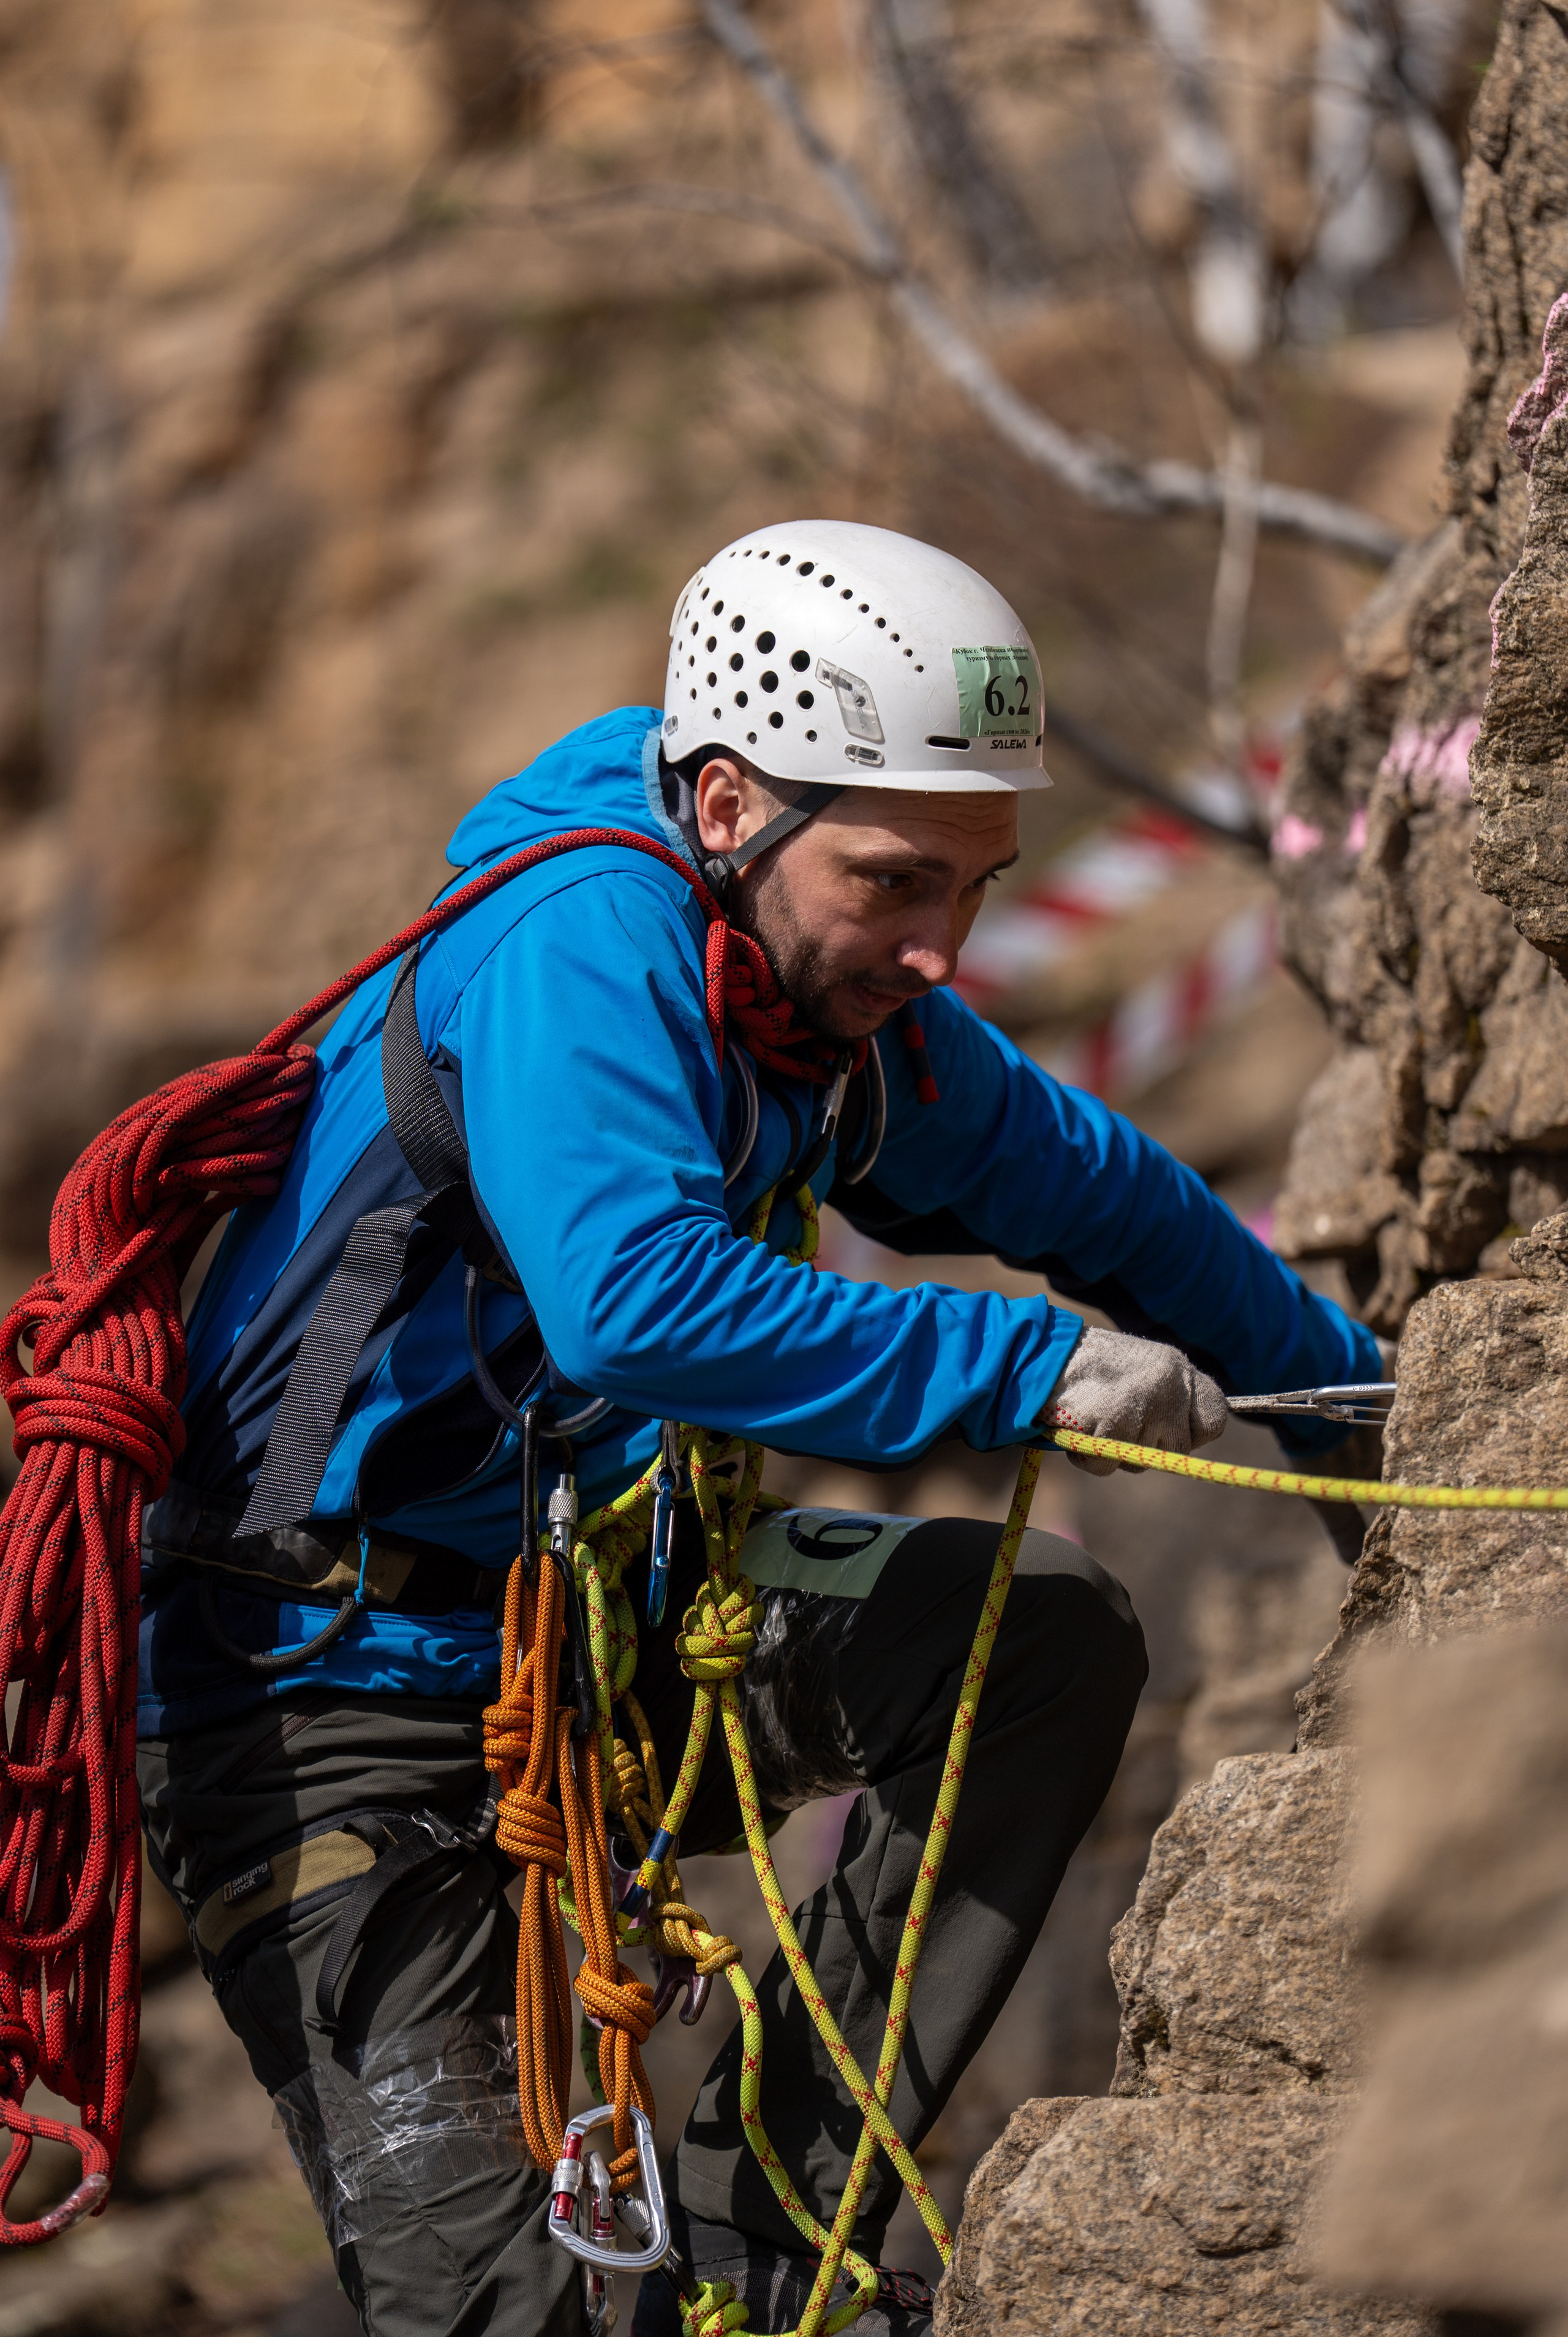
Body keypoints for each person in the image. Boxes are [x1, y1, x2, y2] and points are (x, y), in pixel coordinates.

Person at [136, 521, 1376, 2337]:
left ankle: (762, 2213)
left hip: (567, 1638)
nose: (944, 946)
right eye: (899, 882)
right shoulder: (582, 953)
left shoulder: (810, 988)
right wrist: (1030, 1371)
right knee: (516, 2320)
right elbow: (633, 1299)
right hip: (310, 1692)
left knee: (1028, 1639)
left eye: (976, 884)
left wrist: (1345, 1408)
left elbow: (1097, 1194)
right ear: (729, 807)